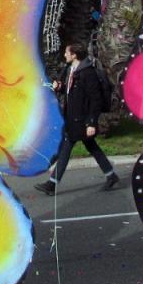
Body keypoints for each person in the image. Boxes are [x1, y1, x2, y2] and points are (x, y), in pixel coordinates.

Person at [35, 43, 119, 195]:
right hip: (72, 117)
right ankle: (111, 175)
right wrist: (59, 86)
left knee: (66, 148)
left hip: (82, 119)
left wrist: (91, 123)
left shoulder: (88, 73)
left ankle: (52, 184)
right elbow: (69, 89)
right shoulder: (70, 69)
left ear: (74, 55)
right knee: (91, 146)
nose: (65, 55)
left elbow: (95, 99)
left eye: (67, 53)